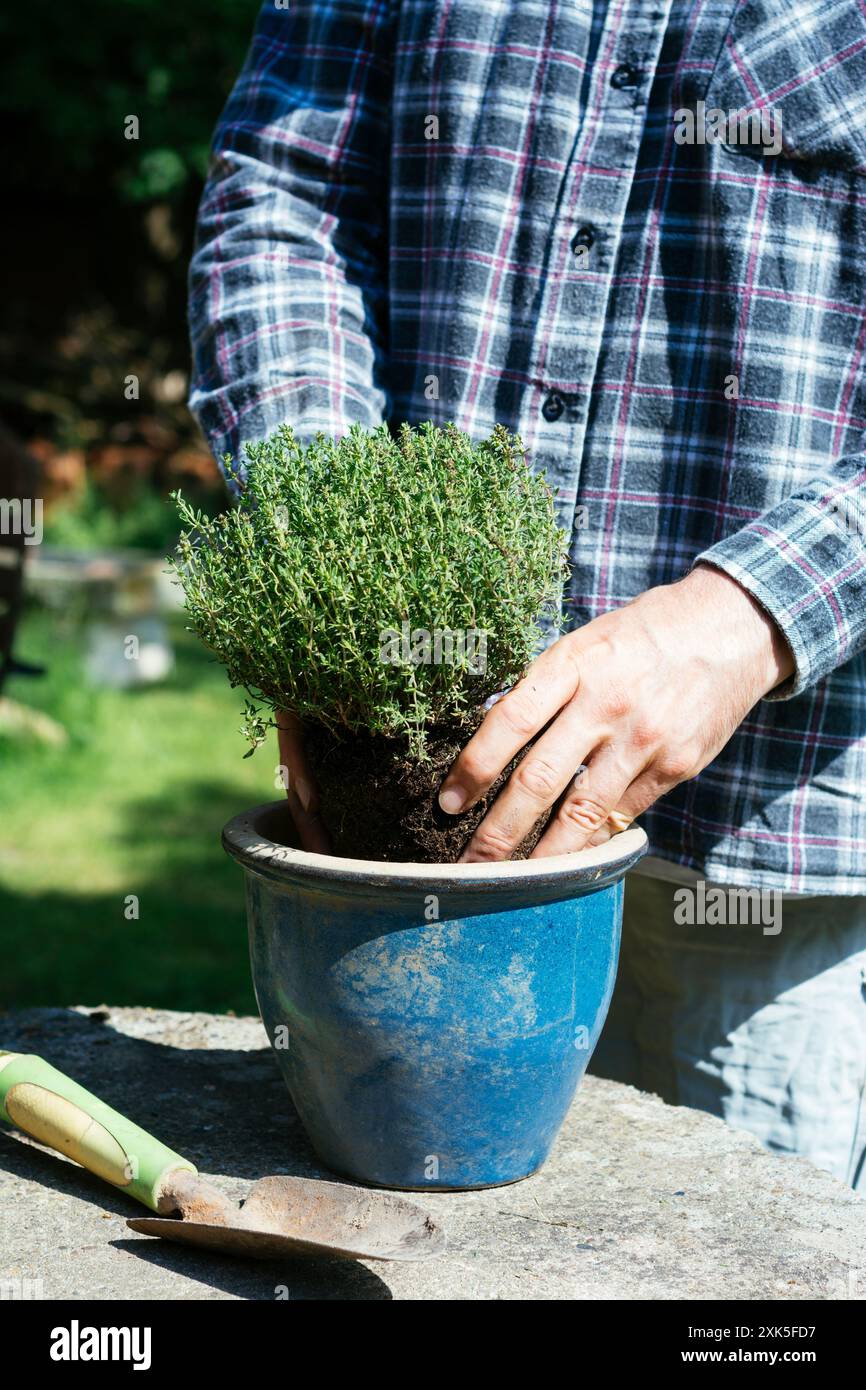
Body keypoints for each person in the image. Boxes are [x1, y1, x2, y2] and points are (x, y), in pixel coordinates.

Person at [189, 2, 866, 1189]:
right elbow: (287, 196)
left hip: (761, 849)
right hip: (393, 850)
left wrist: (756, 609)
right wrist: (326, 541)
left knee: (731, 1283)